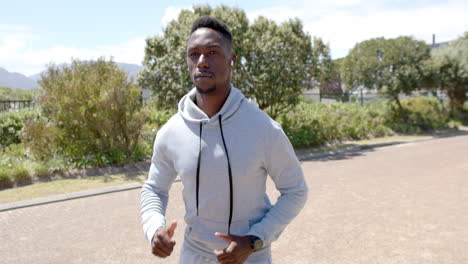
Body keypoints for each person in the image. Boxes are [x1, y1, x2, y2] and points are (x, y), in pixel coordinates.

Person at [140, 15, 308, 264]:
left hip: (251, 257)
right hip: (193, 255)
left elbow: (295, 191)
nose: (202, 62)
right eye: (193, 54)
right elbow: (154, 188)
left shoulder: (263, 128)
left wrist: (254, 239)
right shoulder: (171, 131)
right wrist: (154, 228)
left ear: (232, 60)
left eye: (212, 52)